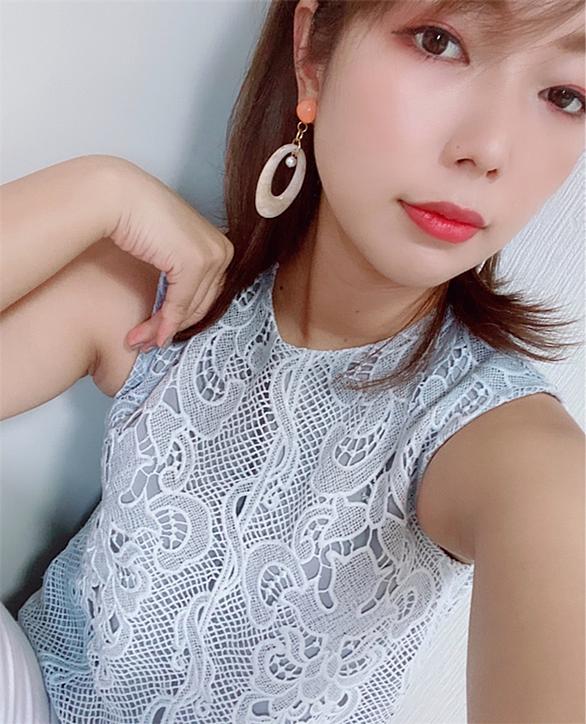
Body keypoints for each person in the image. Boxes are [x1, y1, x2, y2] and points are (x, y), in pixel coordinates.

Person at [1, 0, 584, 722]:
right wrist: (97, 189)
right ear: (312, 53)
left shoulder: (509, 451)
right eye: (439, 42)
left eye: (566, 95)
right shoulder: (164, 299)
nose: (490, 148)